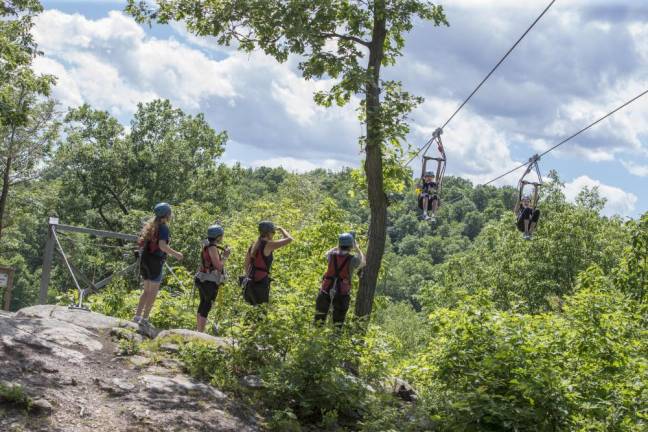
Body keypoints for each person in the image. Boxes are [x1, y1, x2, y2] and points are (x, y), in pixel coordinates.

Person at [134, 202, 183, 325]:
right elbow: (162, 246)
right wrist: (177, 254)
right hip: (155, 262)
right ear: (166, 215)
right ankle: (144, 319)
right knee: (153, 292)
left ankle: (137, 317)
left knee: (146, 291)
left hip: (145, 259)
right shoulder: (163, 228)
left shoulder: (151, 226)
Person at [314, 232, 366, 326]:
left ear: (339, 244)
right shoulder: (352, 259)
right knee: (338, 324)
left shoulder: (331, 256)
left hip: (325, 291)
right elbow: (363, 262)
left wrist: (337, 246)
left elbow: (327, 253)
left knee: (318, 321)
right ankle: (335, 338)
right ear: (351, 246)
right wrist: (357, 248)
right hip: (341, 295)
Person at [242, 221, 292, 305]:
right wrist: (282, 229)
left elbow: (246, 264)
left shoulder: (254, 245)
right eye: (273, 233)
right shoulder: (269, 245)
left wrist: (249, 276)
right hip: (262, 281)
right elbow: (289, 239)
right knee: (261, 308)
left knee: (251, 307)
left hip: (250, 279)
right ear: (269, 233)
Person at [194, 224, 230, 332]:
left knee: (203, 304)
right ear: (218, 236)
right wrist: (225, 256)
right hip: (209, 281)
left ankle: (198, 330)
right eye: (221, 235)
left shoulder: (206, 245)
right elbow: (218, 266)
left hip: (203, 278)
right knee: (207, 306)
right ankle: (201, 333)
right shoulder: (212, 247)